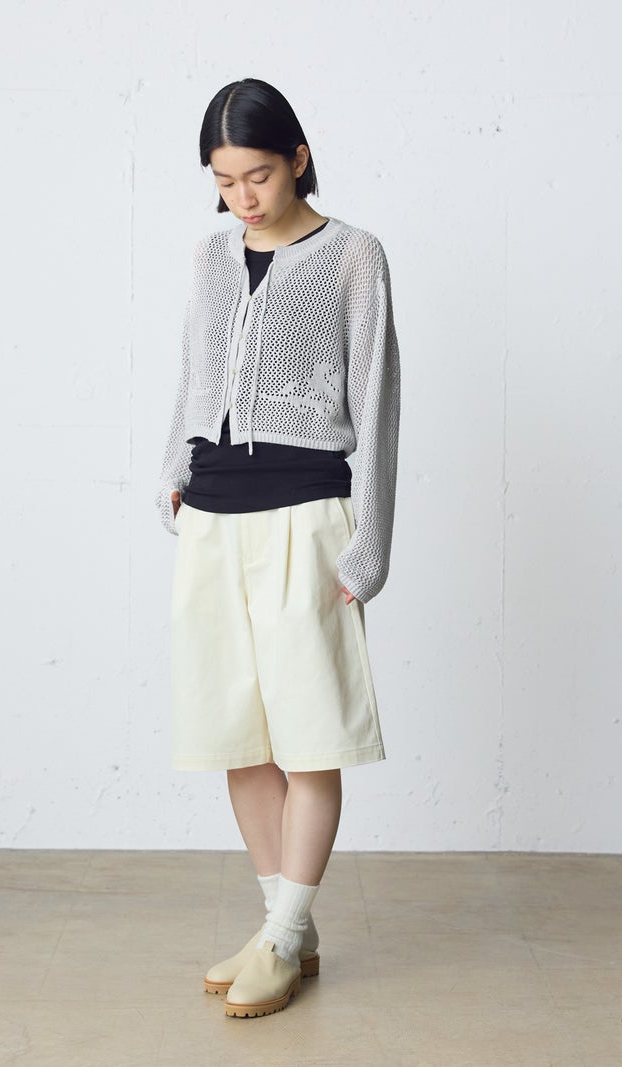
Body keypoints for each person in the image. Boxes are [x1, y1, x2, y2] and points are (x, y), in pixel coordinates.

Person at [155, 77, 401, 1019]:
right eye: (224, 182)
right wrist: (175, 466)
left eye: (256, 174)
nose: (242, 197)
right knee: (238, 734)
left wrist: (371, 543)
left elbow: (377, 398)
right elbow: (193, 366)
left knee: (309, 737)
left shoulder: (353, 255)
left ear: (297, 156)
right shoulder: (211, 256)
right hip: (213, 513)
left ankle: (286, 934)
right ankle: (282, 927)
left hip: (306, 513)